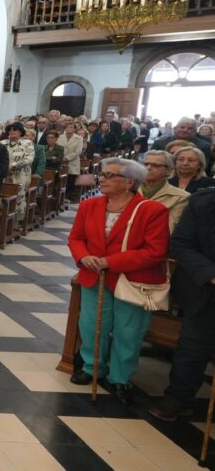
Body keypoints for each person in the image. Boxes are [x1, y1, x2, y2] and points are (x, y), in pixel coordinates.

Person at [67, 158, 169, 404]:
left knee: (129, 331)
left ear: (129, 182)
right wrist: (84, 257)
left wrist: (110, 262)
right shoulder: (89, 205)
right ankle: (93, 367)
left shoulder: (151, 210)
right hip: (95, 277)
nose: (102, 179)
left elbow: (154, 251)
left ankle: (120, 378)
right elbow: (76, 238)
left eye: (110, 175)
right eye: (102, 174)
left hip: (132, 279)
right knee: (92, 325)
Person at [149, 188, 215, 421]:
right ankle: (178, 398)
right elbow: (181, 244)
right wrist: (210, 274)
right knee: (193, 346)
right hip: (206, 288)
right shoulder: (204, 202)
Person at [139, 150, 189, 233]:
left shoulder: (181, 197)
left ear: (169, 170)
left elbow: (168, 229)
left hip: (155, 241)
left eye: (156, 165)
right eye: (145, 164)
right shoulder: (127, 190)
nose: (148, 168)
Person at [2, 122, 35, 222]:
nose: (12, 131)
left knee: (18, 199)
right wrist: (4, 168)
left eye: (15, 129)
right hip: (3, 175)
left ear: (21, 132)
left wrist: (14, 166)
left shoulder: (27, 143)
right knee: (3, 197)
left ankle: (16, 222)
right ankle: (3, 221)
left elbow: (29, 158)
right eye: (10, 129)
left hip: (20, 175)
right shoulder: (2, 143)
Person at [58, 122, 84, 198]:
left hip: (72, 162)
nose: (69, 128)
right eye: (68, 127)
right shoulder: (59, 137)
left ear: (75, 129)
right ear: (65, 128)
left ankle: (66, 196)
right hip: (61, 161)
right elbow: (57, 149)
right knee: (60, 179)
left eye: (72, 127)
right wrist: (61, 157)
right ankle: (59, 196)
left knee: (70, 180)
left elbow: (78, 151)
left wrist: (67, 158)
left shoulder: (79, 138)